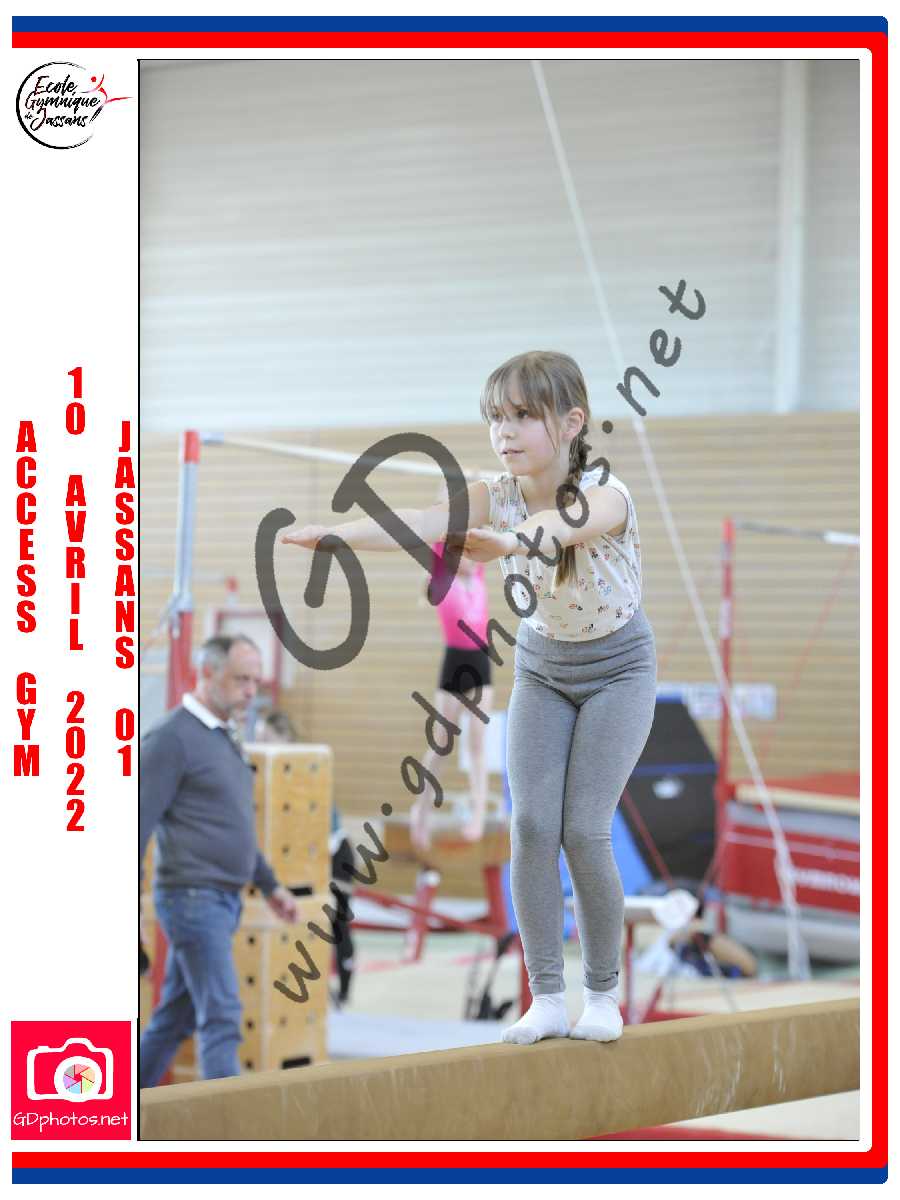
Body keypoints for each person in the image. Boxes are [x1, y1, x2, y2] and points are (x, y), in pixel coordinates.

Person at [282, 350, 656, 1047]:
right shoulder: (496, 492)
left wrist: (508, 541)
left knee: (583, 829)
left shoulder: (607, 492)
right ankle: (547, 997)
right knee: (532, 827)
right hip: (544, 669)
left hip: (618, 672)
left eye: (522, 416)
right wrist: (338, 537)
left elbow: (558, 529)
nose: (503, 432)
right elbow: (419, 520)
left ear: (572, 422)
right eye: (495, 418)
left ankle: (603, 995)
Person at [139, 635, 298, 1085]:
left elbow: (235, 828)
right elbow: (134, 827)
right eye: (240, 679)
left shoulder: (225, 737)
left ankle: (120, 1105)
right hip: (193, 898)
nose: (250, 691)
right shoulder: (170, 739)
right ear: (206, 673)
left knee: (174, 1019)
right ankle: (224, 1128)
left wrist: (270, 886)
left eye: (255, 681)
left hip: (223, 899)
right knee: (223, 1015)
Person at [254, 708, 357, 1006]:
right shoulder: (269, 773)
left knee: (337, 922)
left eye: (267, 738)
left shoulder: (304, 769)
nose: (261, 744)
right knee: (298, 920)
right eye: (258, 738)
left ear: (285, 739)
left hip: (333, 853)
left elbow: (319, 824)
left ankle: (344, 992)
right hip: (303, 856)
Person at [409, 528, 494, 850]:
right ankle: (421, 810)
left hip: (481, 662)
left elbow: (484, 532)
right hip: (454, 663)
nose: (471, 559)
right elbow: (438, 538)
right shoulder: (445, 580)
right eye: (463, 555)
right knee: (441, 744)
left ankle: (478, 814)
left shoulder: (479, 576)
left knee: (477, 744)